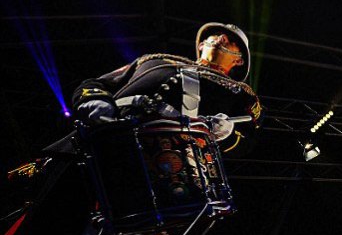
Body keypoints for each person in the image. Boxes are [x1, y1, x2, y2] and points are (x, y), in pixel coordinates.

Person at [71, 22, 261, 152]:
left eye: (233, 41)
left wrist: (226, 135)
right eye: (218, 34)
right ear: (202, 44)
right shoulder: (152, 60)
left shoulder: (240, 92)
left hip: (169, 164)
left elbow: (248, 142)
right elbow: (95, 84)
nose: (223, 37)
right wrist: (94, 100)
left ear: (239, 61)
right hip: (98, 139)